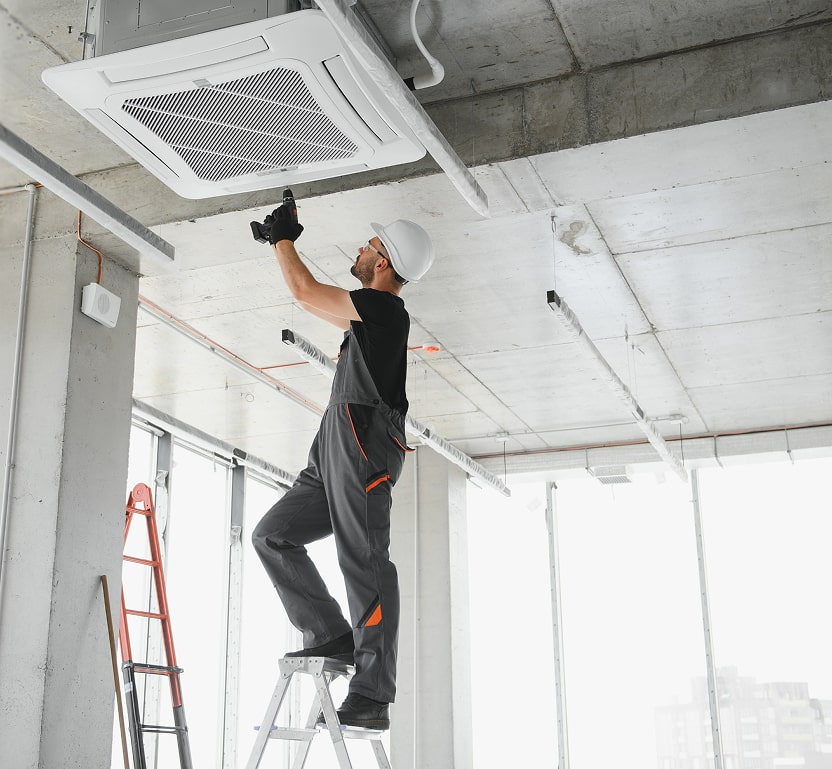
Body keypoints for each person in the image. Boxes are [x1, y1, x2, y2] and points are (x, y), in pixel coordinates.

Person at [251, 201, 434, 731]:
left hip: (362, 447)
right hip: (332, 448)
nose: (359, 249)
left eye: (368, 246)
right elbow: (314, 303)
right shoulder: (366, 318)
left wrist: (284, 239)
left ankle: (373, 694)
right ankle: (330, 633)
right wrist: (279, 247)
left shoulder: (386, 311)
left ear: (382, 264)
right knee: (273, 536)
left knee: (365, 561)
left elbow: (305, 292)